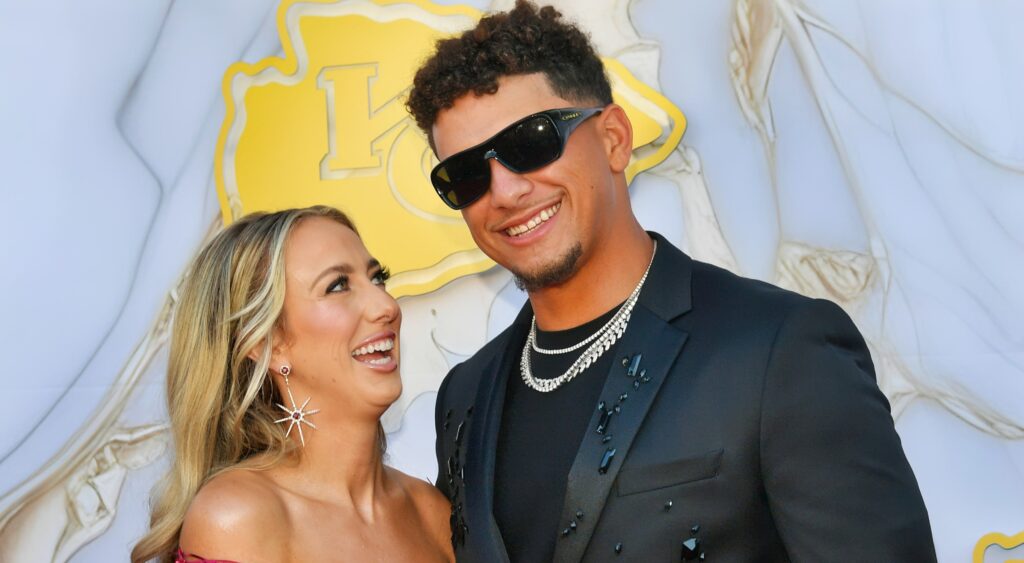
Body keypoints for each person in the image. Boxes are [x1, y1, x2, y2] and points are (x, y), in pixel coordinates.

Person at [406, 2, 936, 561]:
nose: (505, 192)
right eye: (466, 174)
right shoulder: (465, 396)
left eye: (530, 144)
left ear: (613, 138)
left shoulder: (778, 350)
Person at [131, 206, 453, 563]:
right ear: (268, 343)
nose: (386, 305)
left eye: (378, 278)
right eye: (338, 286)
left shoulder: (432, 513)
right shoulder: (239, 517)